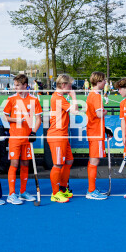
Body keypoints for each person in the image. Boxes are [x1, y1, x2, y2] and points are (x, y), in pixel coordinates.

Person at [3, 73, 43, 205]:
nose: (15, 88)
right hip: (15, 137)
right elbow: (5, 117)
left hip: (27, 138)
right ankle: (11, 194)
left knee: (25, 164)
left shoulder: (34, 100)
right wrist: (16, 120)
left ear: (25, 85)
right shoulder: (11, 99)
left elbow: (38, 119)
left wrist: (33, 132)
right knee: (14, 164)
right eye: (15, 85)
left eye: (18, 85)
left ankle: (23, 191)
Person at [47, 74, 77, 203]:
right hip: (57, 135)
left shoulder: (59, 97)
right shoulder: (58, 98)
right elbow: (75, 111)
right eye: (70, 85)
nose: (71, 88)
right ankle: (55, 193)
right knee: (58, 164)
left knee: (69, 161)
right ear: (63, 85)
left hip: (62, 134)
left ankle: (63, 189)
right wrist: (74, 97)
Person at [84, 71, 110, 200]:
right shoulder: (96, 96)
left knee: (93, 160)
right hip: (95, 132)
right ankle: (91, 190)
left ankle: (92, 188)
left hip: (94, 130)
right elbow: (99, 114)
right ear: (99, 81)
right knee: (94, 160)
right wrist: (105, 111)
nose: (105, 82)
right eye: (104, 80)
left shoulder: (91, 95)